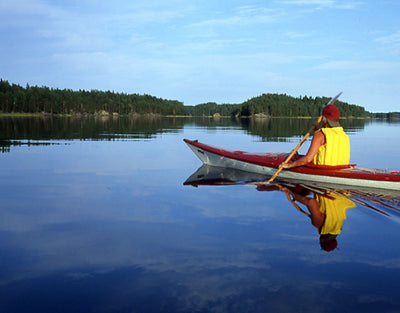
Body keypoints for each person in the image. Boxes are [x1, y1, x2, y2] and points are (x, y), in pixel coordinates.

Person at [279, 104, 350, 169]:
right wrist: (318, 129)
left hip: (323, 170)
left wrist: (289, 165)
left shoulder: (320, 135)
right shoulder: (344, 135)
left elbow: (308, 159)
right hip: (341, 169)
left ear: (324, 119)